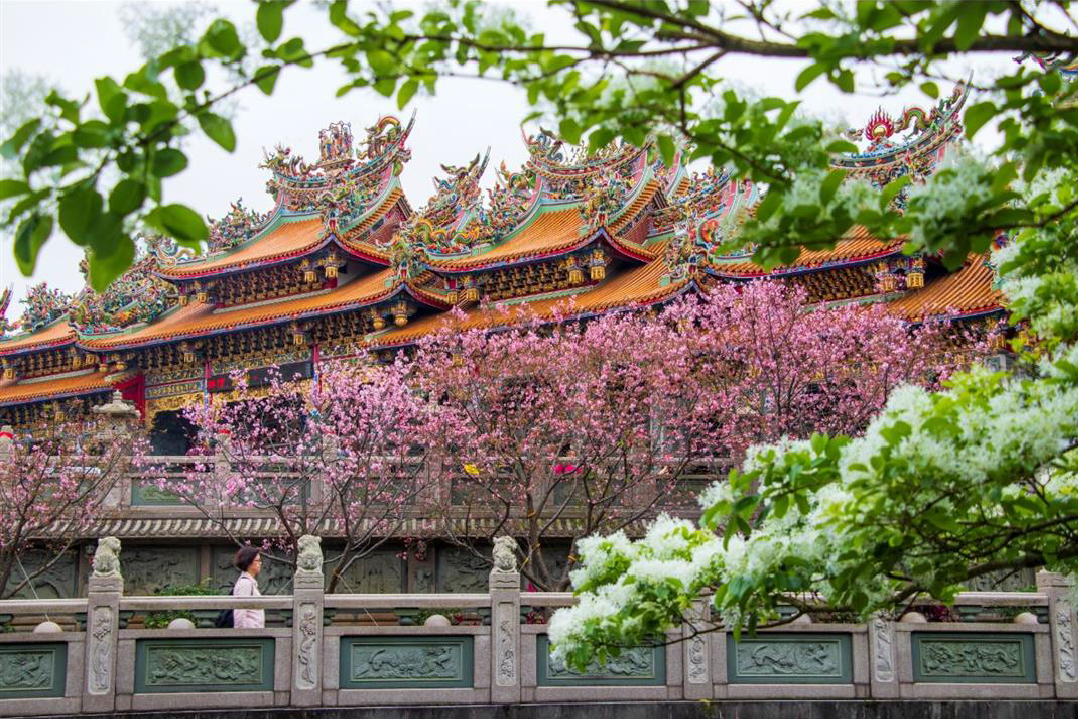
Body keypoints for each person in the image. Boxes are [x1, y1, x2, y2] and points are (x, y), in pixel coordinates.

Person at [231, 546, 265, 629]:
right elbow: (239, 613)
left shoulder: (250, 582)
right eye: (257, 560)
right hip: (249, 632)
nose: (260, 563)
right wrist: (243, 634)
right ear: (248, 562)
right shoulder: (245, 583)